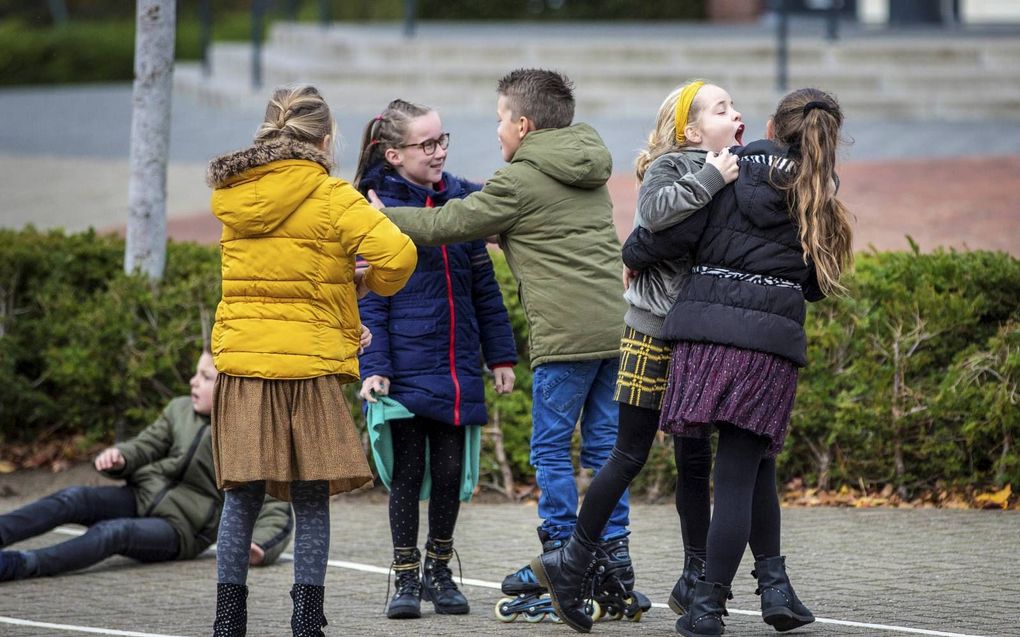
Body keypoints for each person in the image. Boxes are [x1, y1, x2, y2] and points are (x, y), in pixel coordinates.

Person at [367, 69, 638, 617]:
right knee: (607, 449)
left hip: (565, 341)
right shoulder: (588, 165)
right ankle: (616, 560)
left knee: (550, 451)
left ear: (523, 124)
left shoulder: (519, 180)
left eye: (498, 120)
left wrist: (380, 216)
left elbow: (453, 221)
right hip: (618, 331)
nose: (495, 132)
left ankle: (563, 556)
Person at [620, 87, 851, 636]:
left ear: (773, 124)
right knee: (740, 471)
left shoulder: (728, 166)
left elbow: (669, 236)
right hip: (766, 347)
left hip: (702, 339)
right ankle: (708, 607)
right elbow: (817, 285)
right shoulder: (816, 186)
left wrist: (633, 255)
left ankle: (775, 590)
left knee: (753, 468)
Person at [530, 80, 744, 632]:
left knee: (694, 462)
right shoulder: (674, 167)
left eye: (734, 106)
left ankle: (695, 577)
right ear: (691, 130)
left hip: (700, 337)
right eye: (723, 108)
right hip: (650, 331)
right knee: (628, 453)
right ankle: (572, 565)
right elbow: (653, 215)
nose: (737, 113)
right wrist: (711, 176)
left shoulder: (738, 168)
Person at [206, 85, 417, 637]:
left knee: (241, 499)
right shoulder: (331, 196)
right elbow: (400, 253)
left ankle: (228, 622)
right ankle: (305, 622)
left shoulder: (234, 193)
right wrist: (367, 284)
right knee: (310, 500)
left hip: (243, 366)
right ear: (325, 140)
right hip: (309, 368)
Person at [352, 98, 518, 620]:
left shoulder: (458, 202)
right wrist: (374, 364)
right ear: (394, 154)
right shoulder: (376, 207)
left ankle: (439, 572)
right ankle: (404, 577)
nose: (439, 151)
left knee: (449, 474)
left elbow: (485, 291)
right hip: (402, 369)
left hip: (457, 366)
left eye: (442, 140)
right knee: (408, 473)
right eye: (427, 144)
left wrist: (501, 355)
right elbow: (371, 296)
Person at [0, 351, 293, 582]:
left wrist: (261, 545)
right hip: (141, 494)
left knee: (114, 532)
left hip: (180, 529)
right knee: (74, 497)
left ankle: (18, 565)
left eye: (205, 377)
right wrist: (121, 457)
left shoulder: (251, 437)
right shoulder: (179, 410)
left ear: (232, 388)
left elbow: (276, 505)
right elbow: (146, 445)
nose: (193, 381)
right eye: (195, 373)